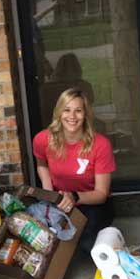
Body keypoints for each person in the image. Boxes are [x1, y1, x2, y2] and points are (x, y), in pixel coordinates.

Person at [32, 88, 116, 253]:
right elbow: (42, 164)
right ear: (59, 113)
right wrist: (49, 194)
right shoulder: (42, 139)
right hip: (59, 200)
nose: (72, 116)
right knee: (40, 236)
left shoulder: (100, 144)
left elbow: (101, 194)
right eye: (67, 110)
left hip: (90, 201)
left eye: (78, 111)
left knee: (84, 245)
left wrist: (74, 196)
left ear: (85, 115)